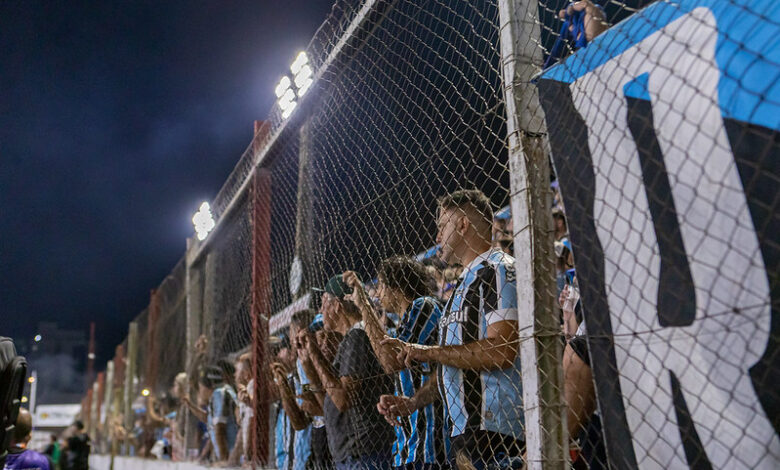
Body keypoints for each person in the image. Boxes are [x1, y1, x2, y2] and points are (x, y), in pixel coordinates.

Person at [380, 189, 524, 468]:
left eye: (442, 226)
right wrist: (413, 402)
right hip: (465, 433)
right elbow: (453, 362)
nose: (437, 237)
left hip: (496, 432)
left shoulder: (497, 270)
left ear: (462, 225)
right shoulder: (462, 286)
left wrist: (430, 351)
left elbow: (501, 351)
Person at [343, 256, 447, 469]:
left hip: (427, 446)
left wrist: (363, 304)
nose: (378, 294)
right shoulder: (406, 320)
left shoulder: (424, 305)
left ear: (396, 287)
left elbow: (391, 361)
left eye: (381, 285)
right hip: (409, 447)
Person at [298, 275, 395, 469]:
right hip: (356, 455)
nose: (321, 310)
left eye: (324, 303)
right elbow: (330, 399)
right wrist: (309, 364)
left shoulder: (357, 335)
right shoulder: (350, 339)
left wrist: (315, 355)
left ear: (337, 306)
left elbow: (343, 399)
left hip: (364, 454)